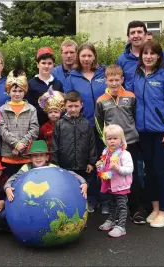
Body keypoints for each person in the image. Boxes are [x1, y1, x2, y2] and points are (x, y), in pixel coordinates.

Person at [133, 40, 164, 228]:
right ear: (141, 55)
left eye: (152, 53)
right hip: (144, 132)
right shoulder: (137, 75)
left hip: (163, 133)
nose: (148, 56)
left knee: (160, 171)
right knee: (150, 171)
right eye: (145, 53)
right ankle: (154, 209)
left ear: (159, 56)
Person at [95, 65, 144, 224]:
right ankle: (115, 210)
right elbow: (98, 123)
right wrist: (106, 142)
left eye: (117, 80)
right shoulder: (101, 100)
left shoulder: (130, 96)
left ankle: (136, 209)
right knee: (114, 177)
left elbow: (136, 117)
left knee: (133, 175)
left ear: (122, 79)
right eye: (111, 80)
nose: (114, 83)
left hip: (130, 142)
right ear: (106, 81)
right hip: (112, 147)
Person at [66, 44, 109, 213]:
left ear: (94, 56)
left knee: (105, 164)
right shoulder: (73, 76)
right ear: (78, 57)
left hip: (104, 127)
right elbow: (70, 101)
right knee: (89, 164)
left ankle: (106, 200)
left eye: (89, 55)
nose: (86, 59)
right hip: (84, 126)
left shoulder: (103, 73)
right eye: (83, 55)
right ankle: (90, 198)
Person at [4, 140, 88, 202]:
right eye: (35, 156)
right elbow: (14, 177)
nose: (38, 158)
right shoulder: (26, 168)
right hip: (32, 196)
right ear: (30, 158)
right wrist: (7, 187)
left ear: (47, 157)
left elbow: (68, 173)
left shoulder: (52, 167)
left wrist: (83, 182)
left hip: (49, 196)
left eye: (41, 155)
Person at [51, 91, 96, 203]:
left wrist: (91, 162)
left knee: (85, 185)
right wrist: (55, 163)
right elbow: (54, 145)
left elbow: (92, 143)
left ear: (81, 105)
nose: (73, 109)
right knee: (67, 188)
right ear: (64, 106)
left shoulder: (86, 123)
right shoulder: (59, 124)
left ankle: (88, 203)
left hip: (83, 164)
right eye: (70, 106)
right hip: (65, 164)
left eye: (76, 106)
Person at [0, 69, 39, 178]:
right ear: (8, 91)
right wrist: (15, 144)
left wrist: (22, 145)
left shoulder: (31, 109)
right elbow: (2, 130)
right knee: (9, 183)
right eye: (14, 91)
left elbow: (34, 130)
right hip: (8, 156)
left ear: (25, 91)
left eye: (20, 91)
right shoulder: (2, 110)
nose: (17, 94)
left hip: (26, 156)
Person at [97, 125, 133, 238]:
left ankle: (121, 226)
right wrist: (100, 166)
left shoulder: (125, 154)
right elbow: (104, 167)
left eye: (115, 138)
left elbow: (130, 169)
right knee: (111, 203)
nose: (112, 141)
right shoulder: (106, 152)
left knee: (122, 205)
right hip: (109, 184)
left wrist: (118, 168)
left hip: (120, 185)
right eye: (109, 138)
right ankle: (112, 220)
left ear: (121, 139)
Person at [116, 21, 164, 92]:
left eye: (139, 32)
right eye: (132, 33)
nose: (136, 35)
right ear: (128, 37)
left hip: (154, 101)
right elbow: (119, 83)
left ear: (146, 35)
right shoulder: (121, 59)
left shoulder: (159, 53)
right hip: (131, 101)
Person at [26, 47, 64, 126]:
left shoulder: (58, 84)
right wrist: (43, 103)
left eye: (49, 63)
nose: (46, 66)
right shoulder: (31, 84)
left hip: (56, 126)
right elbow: (28, 108)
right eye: (43, 63)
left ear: (53, 65)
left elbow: (62, 106)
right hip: (37, 126)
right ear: (37, 65)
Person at [38, 87, 65, 153]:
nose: (53, 114)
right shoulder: (44, 128)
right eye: (50, 112)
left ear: (60, 112)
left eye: (56, 112)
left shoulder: (65, 125)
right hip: (49, 155)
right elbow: (42, 141)